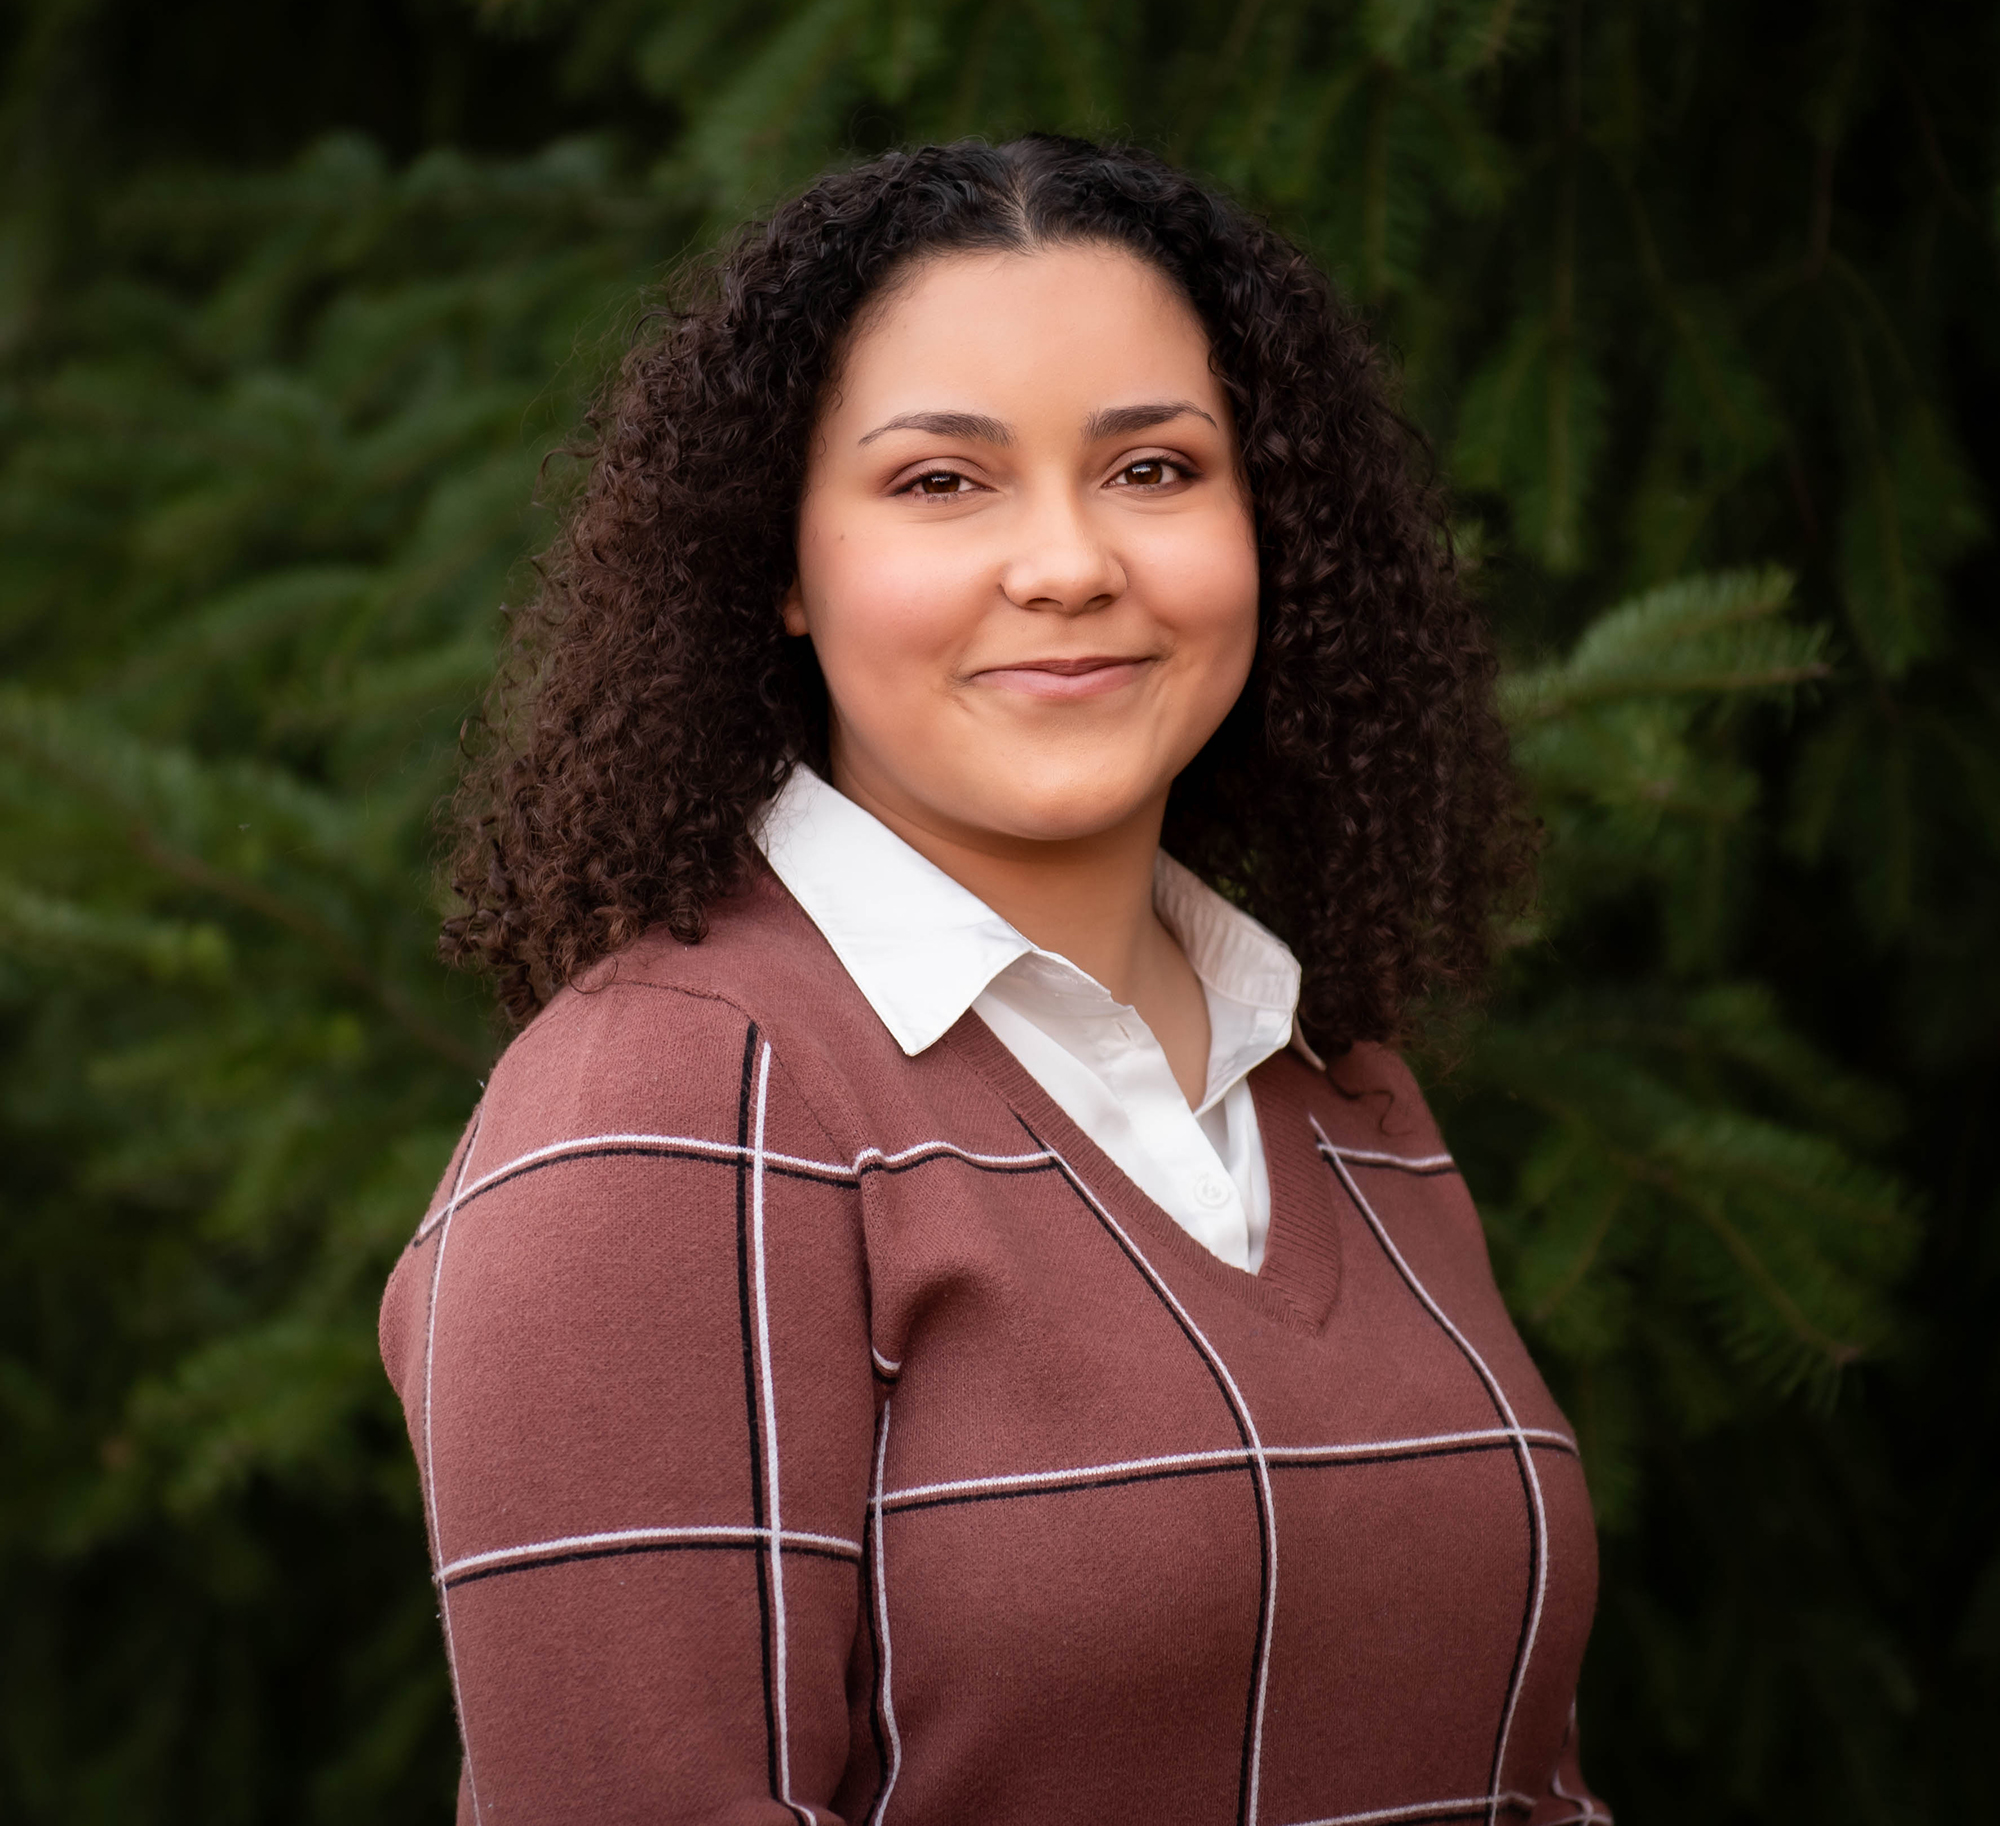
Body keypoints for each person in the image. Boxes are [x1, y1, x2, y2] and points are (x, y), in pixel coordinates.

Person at [382, 135, 1608, 1825]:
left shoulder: (1329, 1073)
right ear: (783, 572)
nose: (1069, 563)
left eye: (1157, 471)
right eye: (941, 483)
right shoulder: (673, 1104)